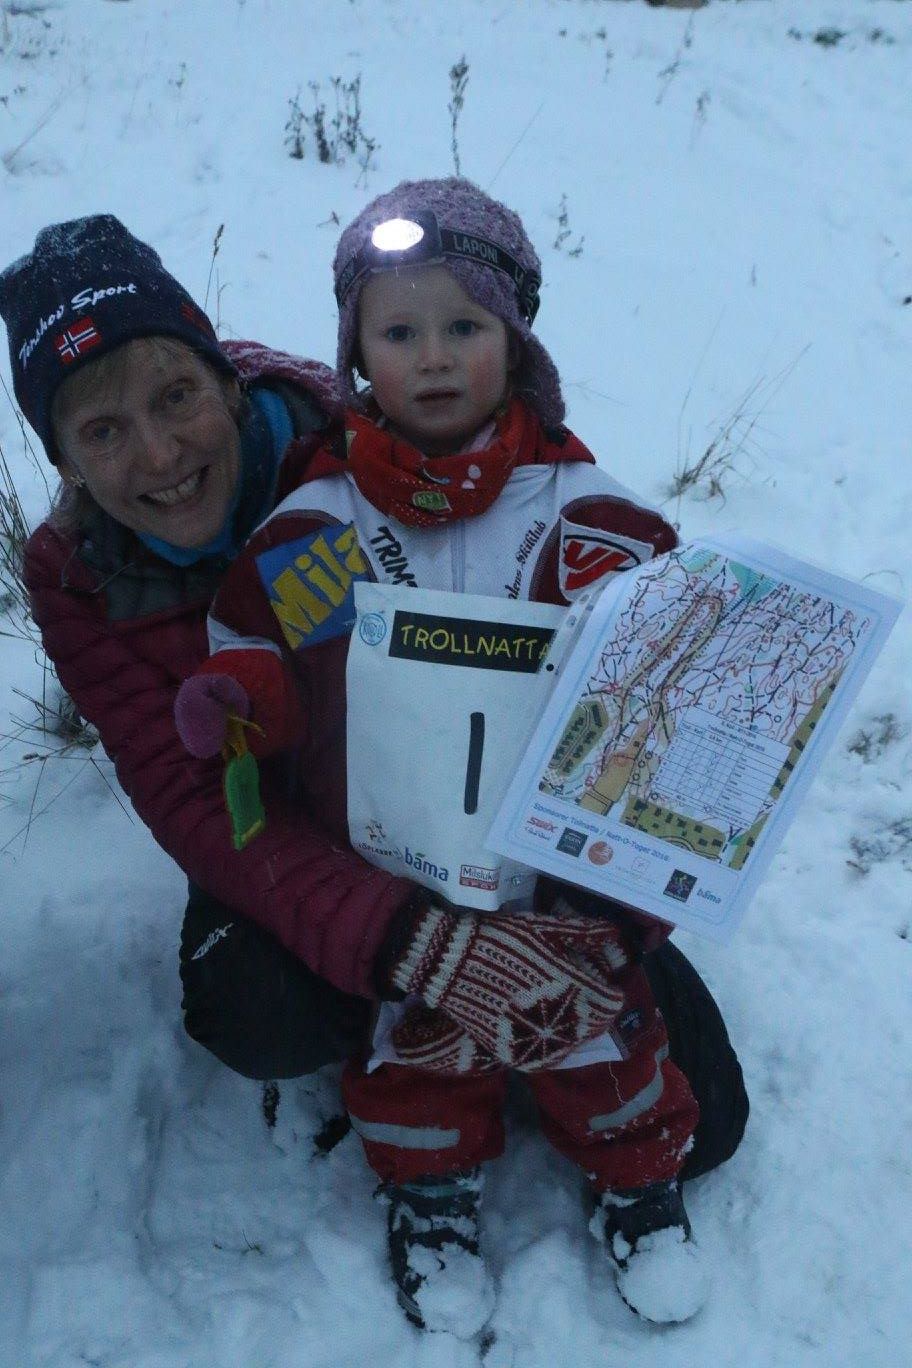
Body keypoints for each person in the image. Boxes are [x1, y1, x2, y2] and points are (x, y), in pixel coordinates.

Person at [172, 178, 748, 1334]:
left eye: (464, 327)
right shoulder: (321, 524)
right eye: (398, 333)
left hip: (556, 870)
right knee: (419, 1045)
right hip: (403, 867)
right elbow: (272, 660)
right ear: (356, 354)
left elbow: (664, 685)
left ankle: (640, 1183)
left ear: (515, 339)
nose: (432, 357)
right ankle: (429, 1192)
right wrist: (244, 703)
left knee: (600, 1024)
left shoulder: (597, 520)